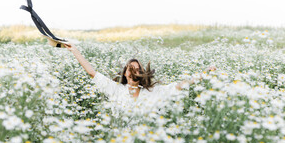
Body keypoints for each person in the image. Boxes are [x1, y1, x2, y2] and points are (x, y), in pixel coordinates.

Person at [64, 43, 216, 115]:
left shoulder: (154, 92)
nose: (134, 72)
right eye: (130, 69)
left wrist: (204, 74)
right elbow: (92, 73)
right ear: (125, 74)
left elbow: (179, 86)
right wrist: (74, 50)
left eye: (137, 70)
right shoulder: (116, 90)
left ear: (142, 74)